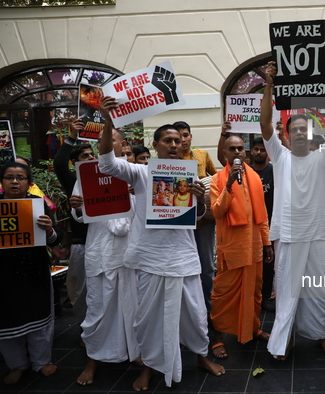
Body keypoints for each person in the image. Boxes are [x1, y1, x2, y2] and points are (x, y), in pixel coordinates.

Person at [98, 96, 224, 390]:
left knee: (194, 314)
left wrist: (197, 198)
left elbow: (199, 217)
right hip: (151, 257)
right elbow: (105, 162)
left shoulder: (190, 174)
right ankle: (152, 367)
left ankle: (200, 356)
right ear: (155, 146)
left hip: (183, 256)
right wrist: (107, 121)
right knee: (149, 318)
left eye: (178, 140)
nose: (174, 144)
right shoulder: (141, 172)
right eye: (167, 140)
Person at [260, 61, 325, 360]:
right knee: (286, 292)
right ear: (286, 136)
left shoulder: (322, 158)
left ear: (310, 136)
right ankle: (285, 340)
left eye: (302, 130)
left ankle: (322, 335)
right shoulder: (279, 157)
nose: (297, 133)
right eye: (293, 129)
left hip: (317, 233)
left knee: (320, 293)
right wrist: (269, 84)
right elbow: (265, 125)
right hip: (289, 234)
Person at [69, 127, 139, 387]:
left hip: (129, 252)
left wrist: (137, 194)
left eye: (110, 140)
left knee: (133, 305)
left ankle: (135, 353)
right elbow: (79, 213)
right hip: (100, 251)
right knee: (98, 308)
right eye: (100, 141)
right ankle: (93, 359)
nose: (103, 144)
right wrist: (76, 206)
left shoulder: (135, 172)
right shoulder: (86, 173)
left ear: (122, 145)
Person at [209, 136, 273, 358]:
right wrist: (228, 186)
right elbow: (217, 211)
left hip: (254, 246)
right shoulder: (218, 179)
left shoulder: (254, 177)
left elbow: (262, 215)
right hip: (232, 249)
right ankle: (217, 338)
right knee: (223, 295)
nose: (237, 152)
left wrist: (267, 243)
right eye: (232, 149)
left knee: (254, 292)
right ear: (225, 154)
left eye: (240, 148)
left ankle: (252, 329)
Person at [0, 162, 62, 384]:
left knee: (40, 317)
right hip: (4, 275)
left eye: (20, 177)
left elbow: (55, 240)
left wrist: (49, 229)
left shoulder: (38, 204)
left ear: (28, 182)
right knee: (6, 321)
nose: (15, 181)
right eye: (9, 177)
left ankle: (41, 361)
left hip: (34, 271)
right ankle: (17, 364)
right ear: (2, 182)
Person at [53, 120, 95, 329]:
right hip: (82, 244)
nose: (90, 158)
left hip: (106, 243)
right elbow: (59, 164)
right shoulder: (73, 181)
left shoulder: (108, 178)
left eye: (92, 155)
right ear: (75, 163)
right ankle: (85, 329)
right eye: (84, 156)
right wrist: (71, 137)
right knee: (79, 289)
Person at [175, 120, 218, 312]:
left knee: (207, 266)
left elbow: (216, 180)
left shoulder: (202, 155)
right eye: (178, 137)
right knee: (183, 267)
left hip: (204, 221)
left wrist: (205, 190)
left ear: (190, 136)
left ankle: (209, 309)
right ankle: (188, 309)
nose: (182, 140)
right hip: (180, 223)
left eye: (185, 135)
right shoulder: (168, 160)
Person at [250, 137, 276, 312]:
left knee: (268, 264)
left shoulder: (274, 171)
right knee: (251, 264)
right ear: (251, 151)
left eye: (263, 149)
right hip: (249, 227)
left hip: (270, 225)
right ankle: (251, 297)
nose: (259, 153)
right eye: (256, 149)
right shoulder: (246, 172)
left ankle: (266, 297)